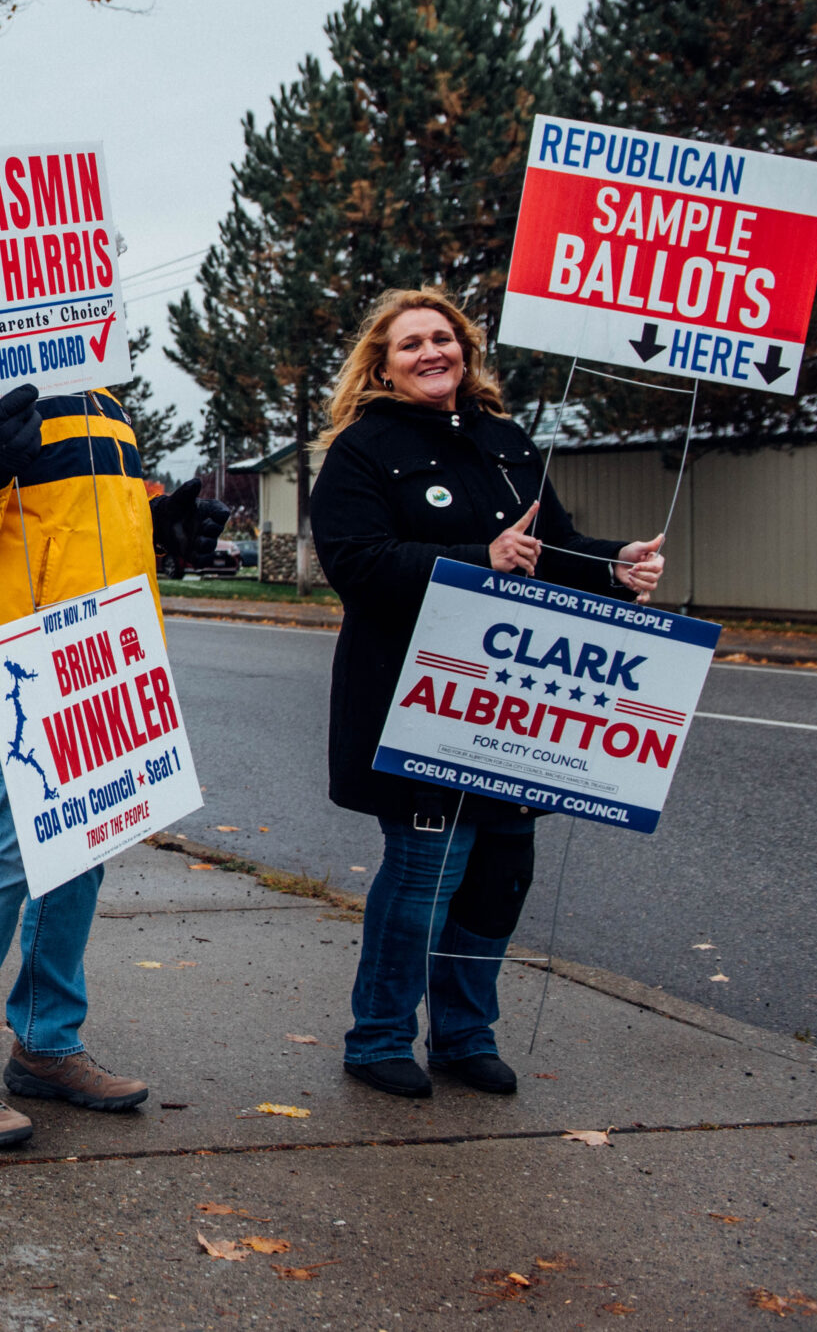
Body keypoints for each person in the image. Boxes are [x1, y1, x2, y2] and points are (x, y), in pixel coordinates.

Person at [308, 288, 664, 1100]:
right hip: (418, 703)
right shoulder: (363, 450)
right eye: (411, 344)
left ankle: (466, 1035)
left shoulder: (506, 440)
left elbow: (557, 549)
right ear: (382, 365)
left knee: (502, 870)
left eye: (444, 338)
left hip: (515, 705)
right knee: (429, 867)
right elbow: (356, 563)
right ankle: (380, 1037)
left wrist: (615, 565)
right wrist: (478, 556)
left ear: (464, 350)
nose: (432, 352)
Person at [0, 380, 229, 1148]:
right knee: (10, 848)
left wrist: (158, 528)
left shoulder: (107, 398)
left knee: (83, 848)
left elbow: (75, 522)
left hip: (106, 649)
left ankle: (47, 1042)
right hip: (26, 650)